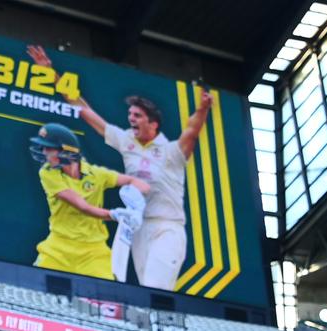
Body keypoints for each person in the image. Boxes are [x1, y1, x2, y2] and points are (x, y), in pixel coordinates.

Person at [27, 45, 214, 291]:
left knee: (156, 288)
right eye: (130, 114)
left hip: (166, 224)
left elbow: (191, 132)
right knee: (144, 291)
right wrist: (52, 75)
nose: (131, 119)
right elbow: (84, 110)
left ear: (153, 123)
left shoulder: (171, 152)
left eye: (137, 115)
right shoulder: (126, 141)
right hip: (136, 226)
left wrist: (202, 110)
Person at [30, 121, 151, 280]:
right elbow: (82, 206)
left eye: (49, 148)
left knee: (108, 299)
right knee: (31, 287)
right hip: (58, 248)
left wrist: (137, 206)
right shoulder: (47, 173)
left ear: (66, 151)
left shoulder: (97, 175)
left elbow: (140, 184)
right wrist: (116, 215)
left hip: (93, 253)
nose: (44, 152)